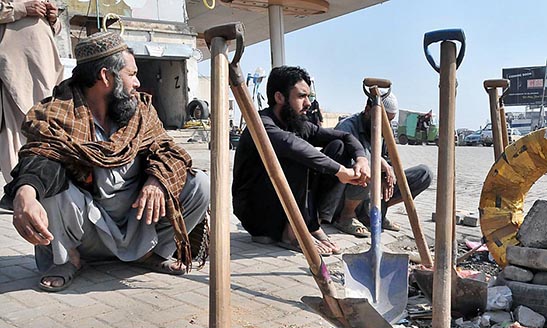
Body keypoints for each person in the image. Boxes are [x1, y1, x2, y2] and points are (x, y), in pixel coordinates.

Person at [0, 31, 210, 291]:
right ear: (105, 77)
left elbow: (169, 150)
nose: (137, 82)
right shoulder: (56, 113)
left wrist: (157, 179)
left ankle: (149, 253)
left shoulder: (140, 111)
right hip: (88, 228)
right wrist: (25, 194)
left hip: (138, 222)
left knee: (199, 183)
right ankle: (67, 259)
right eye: (131, 74)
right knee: (46, 188)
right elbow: (42, 156)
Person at [232, 65, 370, 256]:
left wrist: (361, 159)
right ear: (279, 97)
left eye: (309, 97)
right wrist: (340, 171)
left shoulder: (298, 124)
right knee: (297, 154)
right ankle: (292, 233)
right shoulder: (262, 123)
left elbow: (346, 137)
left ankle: (311, 224)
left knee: (338, 146)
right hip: (256, 210)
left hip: (283, 207)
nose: (308, 103)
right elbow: (291, 145)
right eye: (301, 96)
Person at [327, 92, 432, 237]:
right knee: (367, 168)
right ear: (368, 109)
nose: (386, 125)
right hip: (348, 190)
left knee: (424, 174)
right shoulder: (347, 127)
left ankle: (374, 212)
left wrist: (387, 175)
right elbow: (350, 163)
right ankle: (346, 216)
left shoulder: (386, 131)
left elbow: (390, 162)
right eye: (382, 119)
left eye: (390, 121)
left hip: (373, 191)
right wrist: (378, 163)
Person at [0, 0, 64, 184]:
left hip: (44, 63)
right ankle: (20, 188)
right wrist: (21, 9)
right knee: (16, 128)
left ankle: (41, 184)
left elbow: (55, 29)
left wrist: (53, 18)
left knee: (45, 125)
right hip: (12, 64)